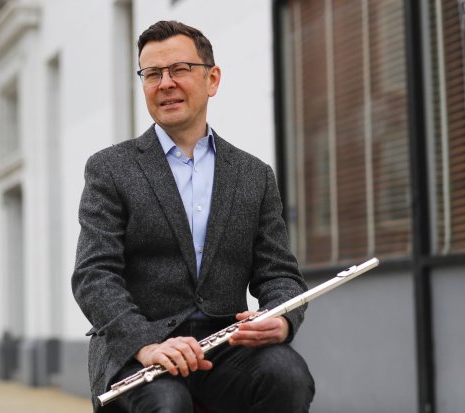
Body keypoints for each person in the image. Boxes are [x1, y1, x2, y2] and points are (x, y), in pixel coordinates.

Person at [72, 20, 314, 413]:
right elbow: (93, 274)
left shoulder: (254, 175)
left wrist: (282, 317)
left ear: (212, 79)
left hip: (225, 348)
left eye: (180, 70)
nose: (165, 83)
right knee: (168, 404)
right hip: (141, 350)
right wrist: (145, 343)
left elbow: (279, 273)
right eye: (152, 74)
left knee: (287, 376)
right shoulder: (109, 169)